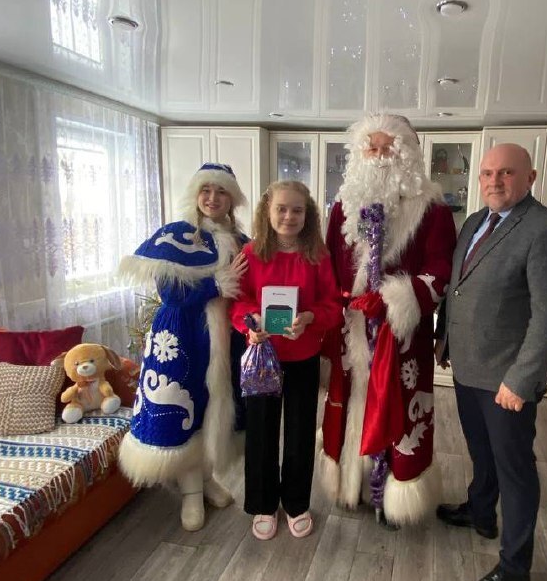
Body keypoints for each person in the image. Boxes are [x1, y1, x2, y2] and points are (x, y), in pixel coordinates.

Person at [436, 143, 547, 581]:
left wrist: (521, 379)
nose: (494, 181)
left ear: (530, 178)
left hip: (507, 380)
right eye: (487, 173)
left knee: (514, 469)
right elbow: (458, 289)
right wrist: (444, 339)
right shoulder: (474, 222)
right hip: (468, 367)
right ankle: (481, 511)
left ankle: (515, 567)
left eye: (507, 173)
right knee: (481, 451)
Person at [319, 113, 456, 526]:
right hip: (353, 329)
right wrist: (342, 304)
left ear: (407, 154)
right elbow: (328, 265)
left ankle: (394, 491)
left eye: (388, 149)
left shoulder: (432, 209)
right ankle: (353, 484)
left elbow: (441, 269)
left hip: (403, 331)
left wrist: (397, 298)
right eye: (372, 148)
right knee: (352, 403)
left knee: (398, 406)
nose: (379, 157)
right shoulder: (343, 206)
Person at [118, 162, 248, 531]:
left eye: (221, 191)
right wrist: (214, 285)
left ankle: (207, 479)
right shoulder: (175, 236)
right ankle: (191, 492)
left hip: (228, 338)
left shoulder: (243, 242)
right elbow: (170, 292)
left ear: (232, 199)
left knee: (212, 409)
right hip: (183, 335)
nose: (213, 198)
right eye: (206, 190)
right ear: (195, 193)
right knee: (184, 408)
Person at [231, 180, 342, 540]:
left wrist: (310, 317)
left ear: (308, 214)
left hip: (303, 357)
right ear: (267, 210)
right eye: (281, 208)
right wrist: (250, 324)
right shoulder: (251, 253)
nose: (289, 216)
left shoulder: (318, 255)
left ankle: (296, 502)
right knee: (261, 432)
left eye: (297, 210)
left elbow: (333, 306)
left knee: (299, 433)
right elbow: (238, 301)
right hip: (263, 357)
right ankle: (264, 504)